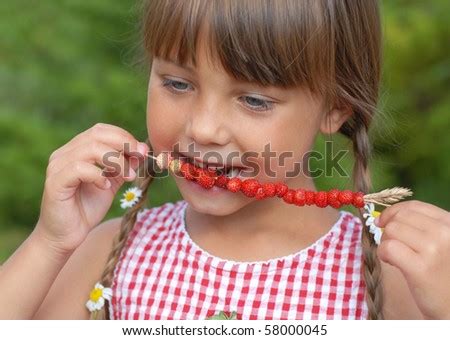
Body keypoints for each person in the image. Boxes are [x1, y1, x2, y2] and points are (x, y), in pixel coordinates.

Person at [1, 0, 449, 320]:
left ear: (336, 107)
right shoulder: (109, 254)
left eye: (254, 100)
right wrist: (50, 243)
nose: (204, 129)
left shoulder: (393, 278)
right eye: (177, 84)